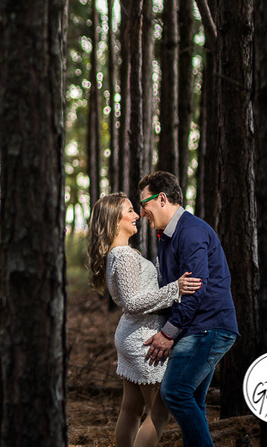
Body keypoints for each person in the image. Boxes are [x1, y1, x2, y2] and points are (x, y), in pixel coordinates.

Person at [88, 192, 201, 447]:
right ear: (114, 221)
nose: (137, 214)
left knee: (131, 408)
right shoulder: (124, 255)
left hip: (133, 334)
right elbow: (132, 302)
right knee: (159, 412)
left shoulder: (119, 253)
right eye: (129, 210)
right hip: (143, 338)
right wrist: (176, 288)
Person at [138, 170, 239, 447]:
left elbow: (194, 290)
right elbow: (174, 290)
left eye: (144, 204)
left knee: (174, 392)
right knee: (193, 399)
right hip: (198, 326)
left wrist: (169, 334)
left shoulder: (191, 232)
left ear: (162, 199)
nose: (142, 212)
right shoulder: (167, 236)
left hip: (209, 327)